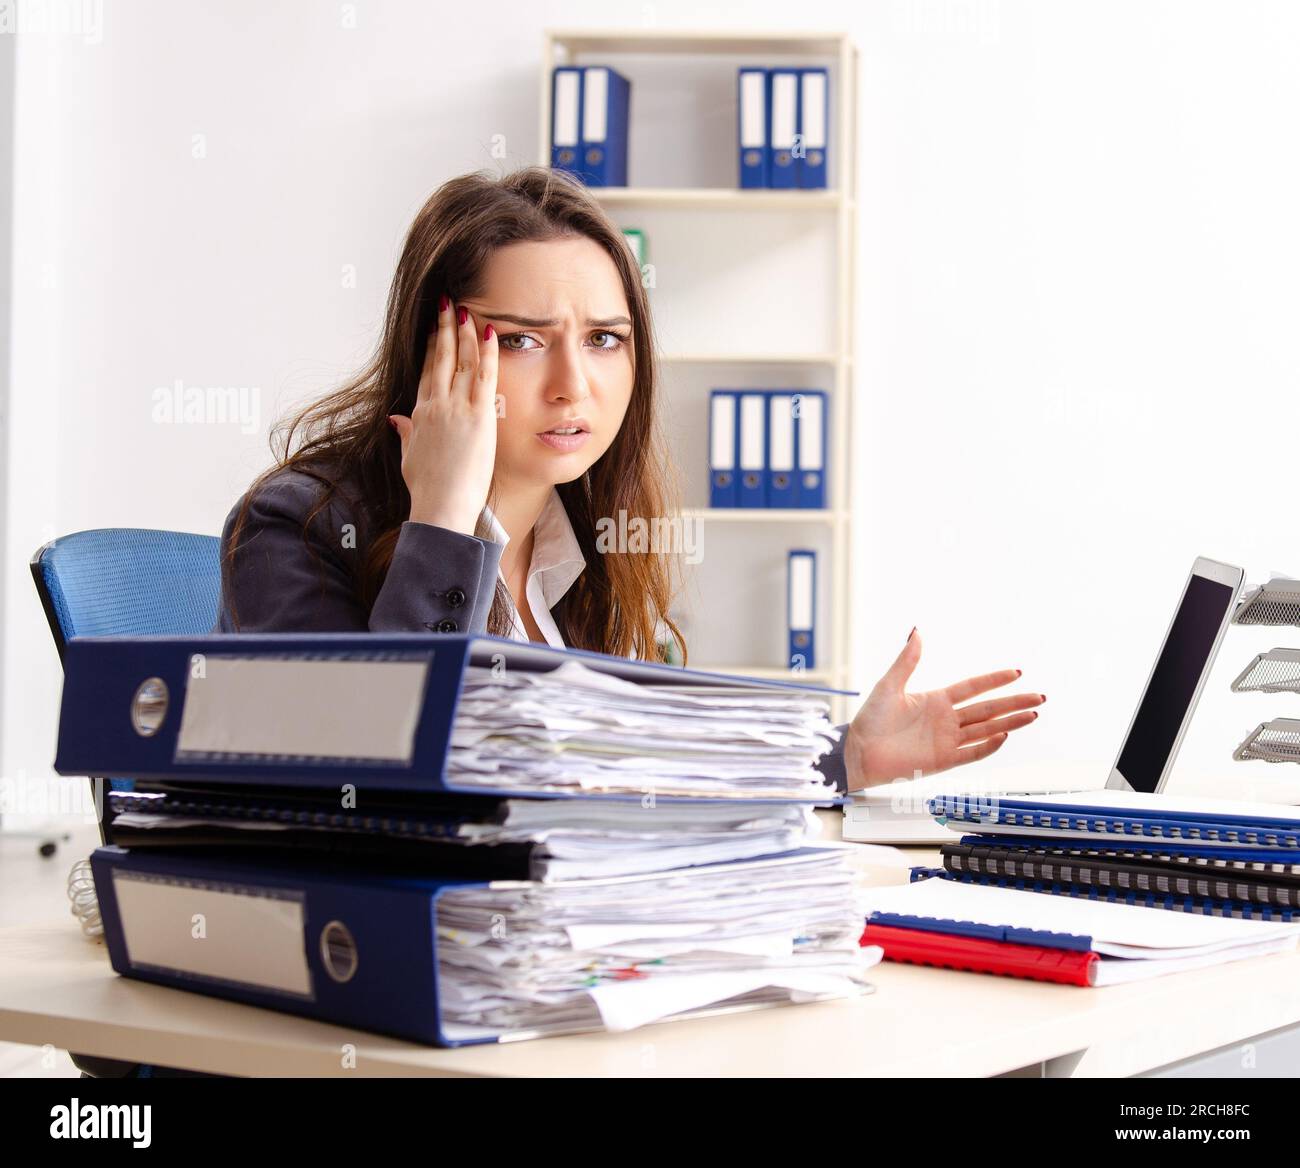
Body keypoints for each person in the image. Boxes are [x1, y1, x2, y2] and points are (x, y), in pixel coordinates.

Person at [216, 166, 1044, 791]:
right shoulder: (297, 525)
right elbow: (368, 777)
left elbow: (651, 757)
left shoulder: (583, 537)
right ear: (437, 352)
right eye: (523, 340)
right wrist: (440, 518)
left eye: (606, 338)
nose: (574, 384)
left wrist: (845, 760)